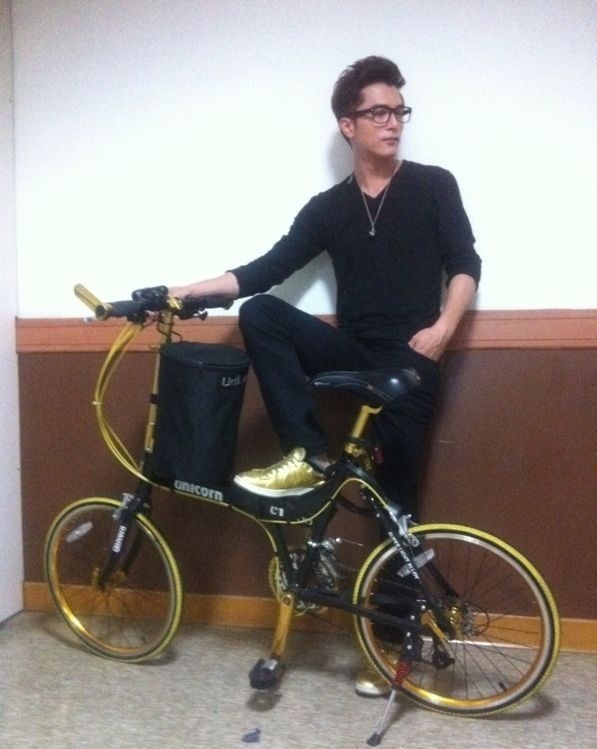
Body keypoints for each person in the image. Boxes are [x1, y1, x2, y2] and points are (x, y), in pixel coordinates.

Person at [171, 55, 481, 694]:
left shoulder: (433, 185)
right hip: (354, 352)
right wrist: (180, 293)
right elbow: (262, 271)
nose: (393, 122)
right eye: (378, 112)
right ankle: (308, 453)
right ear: (348, 125)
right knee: (262, 312)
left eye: (399, 111)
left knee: (395, 508)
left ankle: (391, 646)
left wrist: (444, 329)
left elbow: (465, 262)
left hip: (412, 362)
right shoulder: (330, 208)